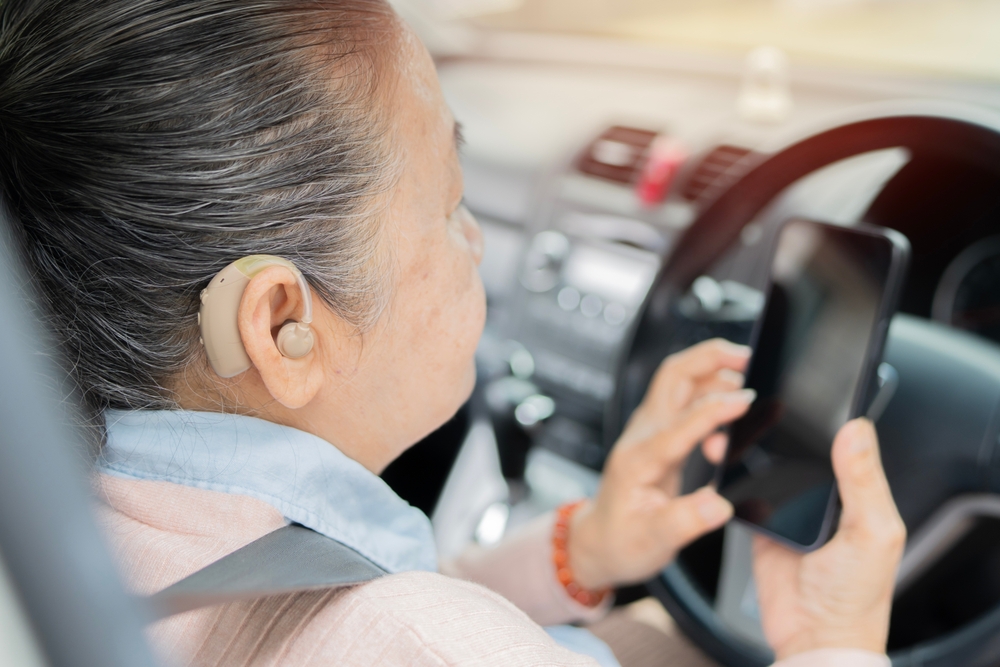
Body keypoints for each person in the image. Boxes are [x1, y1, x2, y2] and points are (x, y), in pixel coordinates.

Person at [0, 1, 906, 665]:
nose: (475, 239)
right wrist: (834, 640)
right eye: (448, 203)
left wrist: (578, 549)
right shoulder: (422, 640)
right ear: (281, 328)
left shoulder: (59, 532)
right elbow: (402, 633)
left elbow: (330, 603)